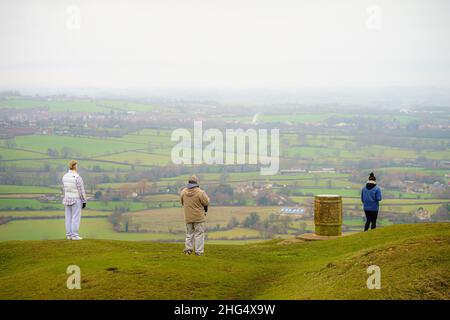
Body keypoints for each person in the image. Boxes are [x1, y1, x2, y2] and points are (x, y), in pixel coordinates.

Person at [180, 175, 210, 256]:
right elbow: (206, 202)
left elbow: (182, 202)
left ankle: (188, 250)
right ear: (196, 182)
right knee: (199, 234)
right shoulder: (200, 192)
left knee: (189, 234)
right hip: (199, 217)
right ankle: (199, 251)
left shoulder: (183, 192)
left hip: (188, 217)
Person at [62, 160, 87, 240]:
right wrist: (84, 201)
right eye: (77, 165)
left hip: (67, 198)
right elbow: (81, 191)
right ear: (74, 166)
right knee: (75, 218)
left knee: (68, 217)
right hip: (76, 199)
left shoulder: (64, 176)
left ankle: (68, 235)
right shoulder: (77, 177)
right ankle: (75, 235)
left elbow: (64, 188)